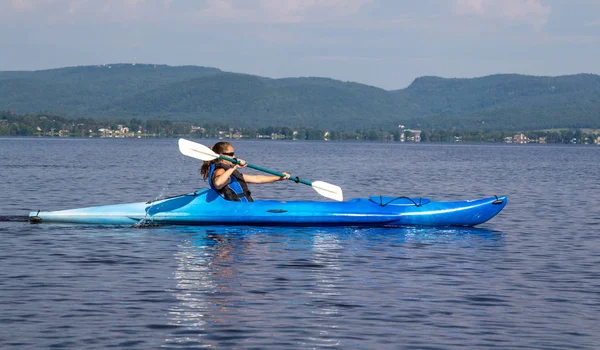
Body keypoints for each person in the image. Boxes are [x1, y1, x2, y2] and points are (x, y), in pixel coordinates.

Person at [199, 141, 290, 202]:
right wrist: (233, 167)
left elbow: (257, 179)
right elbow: (218, 183)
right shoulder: (220, 170)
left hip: (242, 205)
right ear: (220, 156)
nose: (234, 157)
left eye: (233, 153)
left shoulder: (229, 173)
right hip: (235, 208)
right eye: (230, 154)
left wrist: (279, 178)